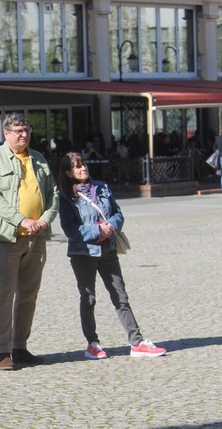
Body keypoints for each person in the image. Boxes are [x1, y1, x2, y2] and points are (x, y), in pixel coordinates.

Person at [57, 152, 166, 359]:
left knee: (120, 295)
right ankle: (92, 343)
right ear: (68, 172)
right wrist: (98, 231)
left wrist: (111, 227)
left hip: (108, 249)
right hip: (83, 253)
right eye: (77, 166)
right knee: (88, 298)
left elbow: (118, 213)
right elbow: (70, 229)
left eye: (84, 164)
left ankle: (137, 342)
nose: (83, 168)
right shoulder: (65, 196)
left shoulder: (102, 187)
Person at [0, 113, 59, 370]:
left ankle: (20, 346)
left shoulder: (39, 158)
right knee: (4, 294)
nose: (23, 135)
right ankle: (3, 352)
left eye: (25, 130)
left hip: (37, 237)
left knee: (28, 295)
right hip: (7, 237)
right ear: (6, 133)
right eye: (17, 131)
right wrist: (21, 220)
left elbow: (53, 194)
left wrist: (44, 220)